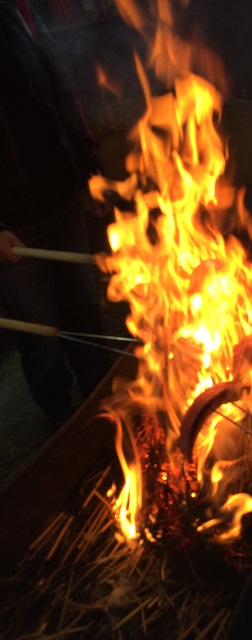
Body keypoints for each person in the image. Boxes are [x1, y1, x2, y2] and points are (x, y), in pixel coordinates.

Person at [0, 0, 112, 428]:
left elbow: (61, 88)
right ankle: (64, 430)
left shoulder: (19, 12)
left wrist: (89, 169)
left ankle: (107, 413)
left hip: (60, 199)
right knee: (42, 337)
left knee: (85, 315)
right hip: (14, 226)